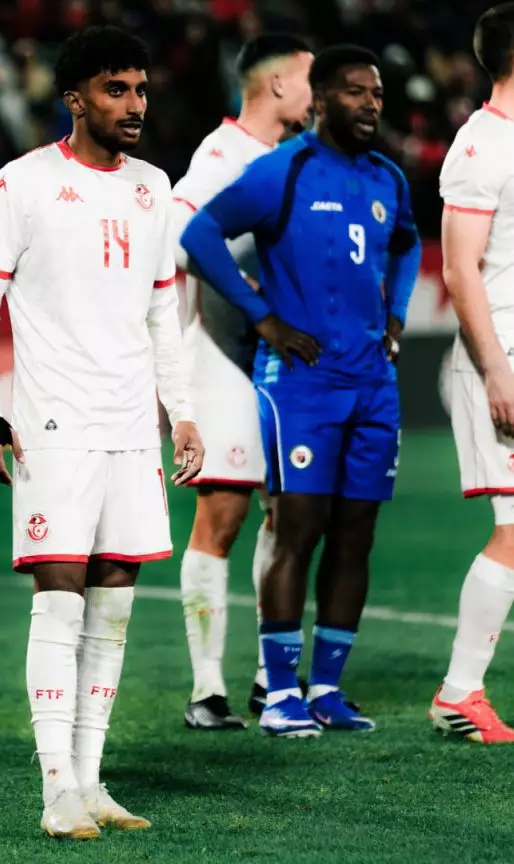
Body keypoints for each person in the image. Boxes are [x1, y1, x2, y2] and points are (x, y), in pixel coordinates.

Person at [0, 26, 204, 838]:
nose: (135, 105)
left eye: (140, 89)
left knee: (114, 608)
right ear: (76, 98)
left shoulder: (153, 186)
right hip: (53, 424)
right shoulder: (21, 183)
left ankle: (93, 783)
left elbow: (161, 309)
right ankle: (55, 789)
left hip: (133, 423)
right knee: (60, 602)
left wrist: (184, 408)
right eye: (116, 90)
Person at [180, 45, 421, 737]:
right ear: (319, 99)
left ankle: (327, 690)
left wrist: (397, 311)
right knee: (296, 528)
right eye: (354, 92)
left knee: (357, 536)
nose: (371, 103)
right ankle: (278, 693)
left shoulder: (387, 179)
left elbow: (406, 244)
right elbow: (199, 234)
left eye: (377, 92)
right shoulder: (282, 170)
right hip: (304, 385)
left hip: (373, 383)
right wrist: (265, 319)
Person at [172, 34, 314, 729]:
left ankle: (270, 676)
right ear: (280, 84)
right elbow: (180, 238)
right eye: (313, 80)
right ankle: (206, 690)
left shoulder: (302, 159)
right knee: (222, 514)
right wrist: (253, 298)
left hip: (284, 363)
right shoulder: (221, 154)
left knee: (287, 514)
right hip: (223, 353)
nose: (319, 96)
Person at [430, 2, 514, 743]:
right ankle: (460, 692)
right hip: (503, 359)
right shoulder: (481, 148)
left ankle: (462, 689)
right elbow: (460, 270)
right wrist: (496, 372)